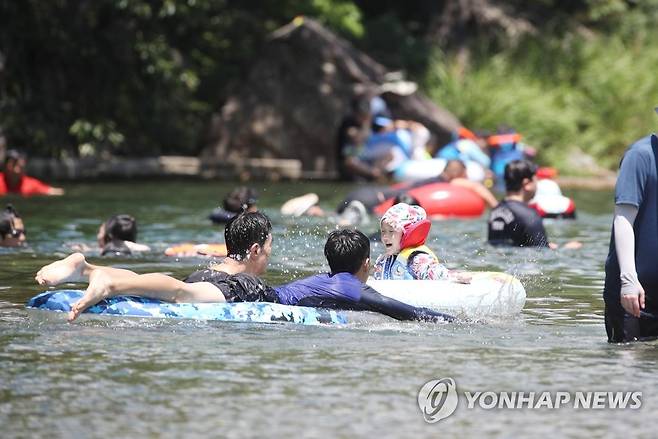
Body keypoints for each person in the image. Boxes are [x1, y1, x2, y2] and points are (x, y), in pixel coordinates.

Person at [35, 212, 452, 323]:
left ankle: (89, 268)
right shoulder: (349, 287)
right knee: (183, 293)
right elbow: (408, 312)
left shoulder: (326, 278)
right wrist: (453, 320)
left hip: (216, 276)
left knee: (182, 285)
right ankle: (109, 281)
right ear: (365, 264)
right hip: (250, 296)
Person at [604, 120, 658, 342]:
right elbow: (623, 219)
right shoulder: (640, 156)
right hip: (635, 293)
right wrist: (628, 279)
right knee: (629, 370)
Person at [487, 160, 581, 249]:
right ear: (527, 183)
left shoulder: (496, 210)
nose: (537, 185)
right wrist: (565, 248)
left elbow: (507, 245)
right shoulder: (529, 215)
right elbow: (543, 256)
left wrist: (545, 245)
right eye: (536, 180)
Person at [372, 203, 448, 280]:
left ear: (406, 233)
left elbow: (441, 276)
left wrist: (458, 277)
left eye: (391, 231)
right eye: (383, 231)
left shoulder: (418, 260)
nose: (385, 237)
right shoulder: (383, 261)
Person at [0, 150, 64, 196]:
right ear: (4, 166)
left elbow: (57, 192)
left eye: (19, 164)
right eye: (14, 164)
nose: (16, 169)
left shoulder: (30, 184)